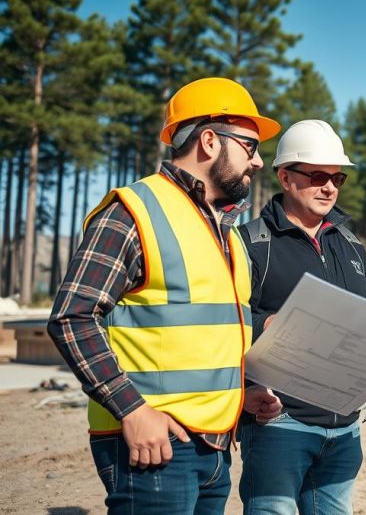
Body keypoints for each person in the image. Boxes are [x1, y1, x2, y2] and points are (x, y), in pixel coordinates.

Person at [47, 77, 283, 514]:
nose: (259, 162)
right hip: (153, 448)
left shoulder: (225, 233)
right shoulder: (134, 210)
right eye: (250, 147)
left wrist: (239, 395)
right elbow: (72, 317)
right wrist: (132, 411)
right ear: (210, 141)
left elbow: (201, 337)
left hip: (213, 448)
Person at [237, 119, 366, 514]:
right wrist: (247, 383)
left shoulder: (350, 244)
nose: (329, 186)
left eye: (337, 178)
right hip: (279, 423)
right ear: (284, 176)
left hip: (345, 429)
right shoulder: (250, 243)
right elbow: (226, 323)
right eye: (317, 176)